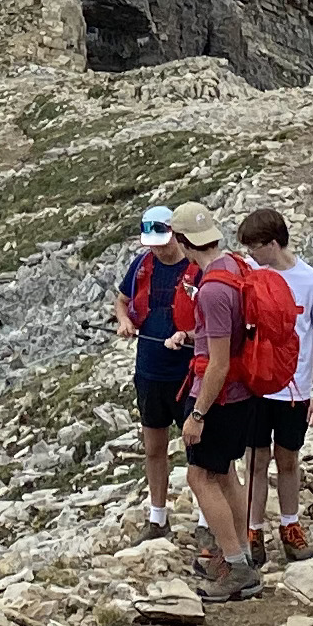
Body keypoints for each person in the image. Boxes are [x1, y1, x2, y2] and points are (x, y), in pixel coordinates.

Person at [165, 201, 300, 599]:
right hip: (245, 393)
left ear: (185, 242)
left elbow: (219, 363)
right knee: (225, 473)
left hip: (218, 398)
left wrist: (198, 414)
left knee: (200, 476)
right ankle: (241, 555)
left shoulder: (211, 290)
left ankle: (236, 566)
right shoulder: (238, 267)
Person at [234, 206, 313, 561]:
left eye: (255, 247)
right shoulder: (251, 276)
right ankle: (253, 529)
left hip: (294, 388)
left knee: (288, 459)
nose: (251, 255)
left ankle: (291, 525)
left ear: (273, 243)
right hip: (256, 385)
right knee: (255, 459)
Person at [109, 207, 194, 535]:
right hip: (149, 369)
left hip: (187, 371)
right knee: (154, 448)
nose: (157, 248)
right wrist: (125, 320)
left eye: (162, 240)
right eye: (152, 242)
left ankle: (206, 519)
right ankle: (157, 516)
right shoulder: (143, 265)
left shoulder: (193, 265)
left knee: (199, 451)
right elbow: (122, 299)